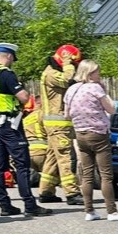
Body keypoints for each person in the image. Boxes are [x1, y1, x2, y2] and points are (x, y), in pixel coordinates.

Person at [0, 42, 51, 217]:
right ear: (9, 56)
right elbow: (24, 97)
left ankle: (4, 204)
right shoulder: (6, 74)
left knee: (0, 165)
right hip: (11, 123)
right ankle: (30, 204)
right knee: (22, 164)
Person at [64, 59, 118, 221]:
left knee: (87, 174)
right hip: (99, 134)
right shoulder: (95, 88)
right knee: (106, 175)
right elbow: (112, 109)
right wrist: (104, 90)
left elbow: (66, 115)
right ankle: (112, 211)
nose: (99, 75)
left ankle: (89, 211)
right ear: (89, 73)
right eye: (97, 72)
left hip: (81, 134)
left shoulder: (71, 90)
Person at [38, 44, 83, 205]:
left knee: (52, 156)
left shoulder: (53, 71)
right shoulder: (52, 73)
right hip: (57, 124)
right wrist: (68, 64)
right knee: (65, 157)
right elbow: (68, 80)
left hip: (57, 124)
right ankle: (72, 193)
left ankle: (46, 191)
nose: (75, 68)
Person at [22, 95, 48, 188]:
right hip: (43, 153)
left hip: (29, 154)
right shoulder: (43, 114)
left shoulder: (26, 119)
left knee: (34, 178)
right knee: (51, 177)